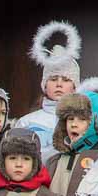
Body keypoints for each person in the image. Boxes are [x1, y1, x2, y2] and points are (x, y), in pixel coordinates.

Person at [18, 21, 82, 156]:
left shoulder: (81, 123)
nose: (59, 84)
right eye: (53, 79)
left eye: (65, 80)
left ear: (75, 87)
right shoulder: (27, 122)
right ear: (44, 85)